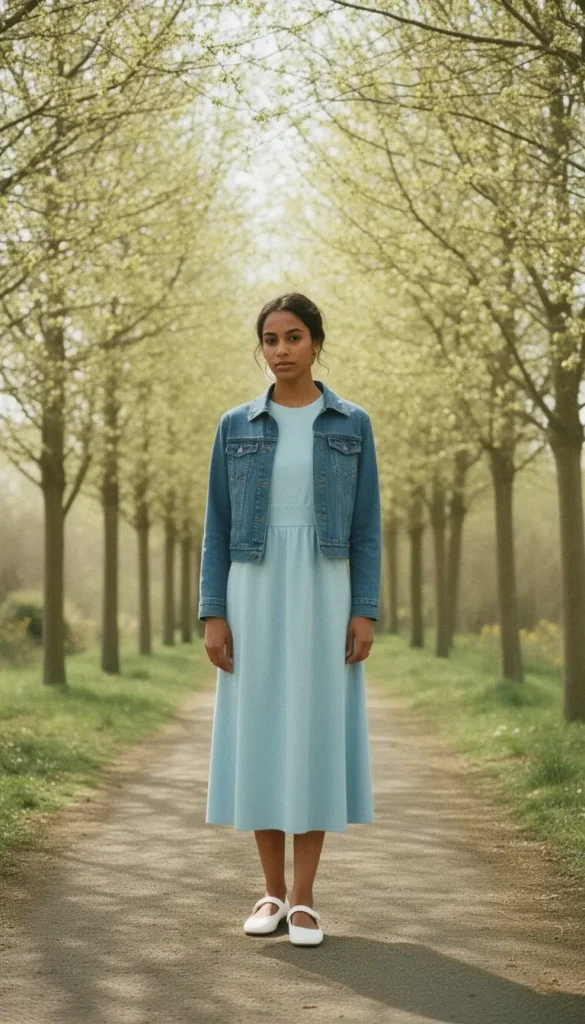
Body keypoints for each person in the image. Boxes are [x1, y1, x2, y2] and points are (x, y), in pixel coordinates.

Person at [198, 293, 381, 946]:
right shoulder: (235, 425)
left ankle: (304, 899)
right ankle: (269, 892)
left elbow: (366, 527)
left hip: (324, 583)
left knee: (312, 731)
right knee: (261, 733)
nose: (281, 350)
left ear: (316, 344)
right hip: (252, 584)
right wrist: (212, 611)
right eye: (270, 339)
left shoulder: (351, 424)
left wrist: (363, 608)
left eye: (294, 337)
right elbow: (216, 527)